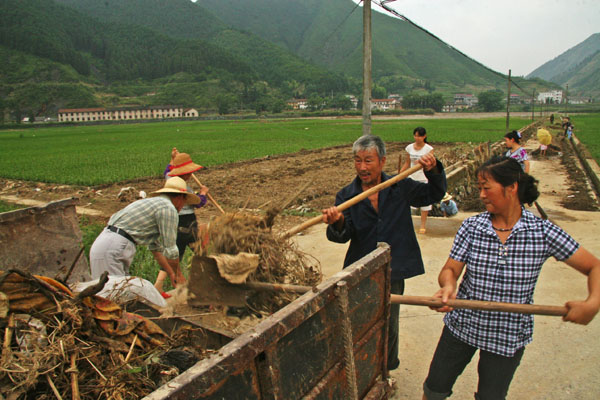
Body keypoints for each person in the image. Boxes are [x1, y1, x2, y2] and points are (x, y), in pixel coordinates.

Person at [422, 156, 600, 400]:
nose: (482, 195)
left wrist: (592, 303)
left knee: (491, 397)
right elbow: (450, 269)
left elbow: (595, 267)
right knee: (434, 389)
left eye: (487, 188)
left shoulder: (542, 232)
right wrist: (448, 286)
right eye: (479, 189)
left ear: (512, 187)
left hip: (507, 334)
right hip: (462, 324)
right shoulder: (472, 226)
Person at [322, 134, 447, 371]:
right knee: (358, 320)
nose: (362, 167)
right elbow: (342, 235)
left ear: (382, 161)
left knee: (389, 321)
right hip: (359, 269)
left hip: (393, 269)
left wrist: (434, 171)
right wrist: (337, 221)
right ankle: (361, 367)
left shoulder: (399, 186)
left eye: (368, 160)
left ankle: (385, 369)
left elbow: (434, 195)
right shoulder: (346, 195)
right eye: (357, 161)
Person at [90, 176, 201, 290]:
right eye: (185, 202)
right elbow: (171, 250)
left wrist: (171, 274)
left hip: (107, 243)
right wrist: (179, 276)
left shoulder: (153, 205)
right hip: (114, 247)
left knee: (119, 291)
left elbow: (156, 250)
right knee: (111, 292)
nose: (183, 207)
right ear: (180, 197)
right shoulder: (168, 208)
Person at [154, 149, 209, 296]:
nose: (191, 175)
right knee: (203, 254)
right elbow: (198, 203)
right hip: (187, 225)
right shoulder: (185, 188)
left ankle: (158, 286)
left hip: (175, 225)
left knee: (174, 257)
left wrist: (172, 159)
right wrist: (203, 193)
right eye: (189, 172)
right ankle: (206, 283)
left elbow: (167, 170)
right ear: (186, 173)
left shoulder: (169, 181)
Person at [400, 126, 435, 234]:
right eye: (415, 135)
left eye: (419, 136)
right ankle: (408, 225)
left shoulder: (429, 149)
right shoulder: (409, 148)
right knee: (409, 203)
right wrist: (400, 175)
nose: (417, 138)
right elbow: (407, 163)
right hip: (412, 179)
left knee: (424, 204)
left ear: (424, 136)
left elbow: (431, 165)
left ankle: (423, 225)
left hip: (423, 179)